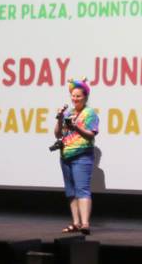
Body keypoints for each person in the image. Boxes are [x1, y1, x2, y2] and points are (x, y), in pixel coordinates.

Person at [55, 78, 99, 235]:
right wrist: (60, 118)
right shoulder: (68, 113)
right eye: (73, 96)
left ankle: (85, 223)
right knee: (71, 191)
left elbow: (90, 135)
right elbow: (58, 133)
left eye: (78, 96)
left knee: (82, 190)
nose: (75, 99)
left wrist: (76, 127)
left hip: (82, 156)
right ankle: (76, 223)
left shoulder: (89, 113)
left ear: (85, 97)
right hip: (66, 156)